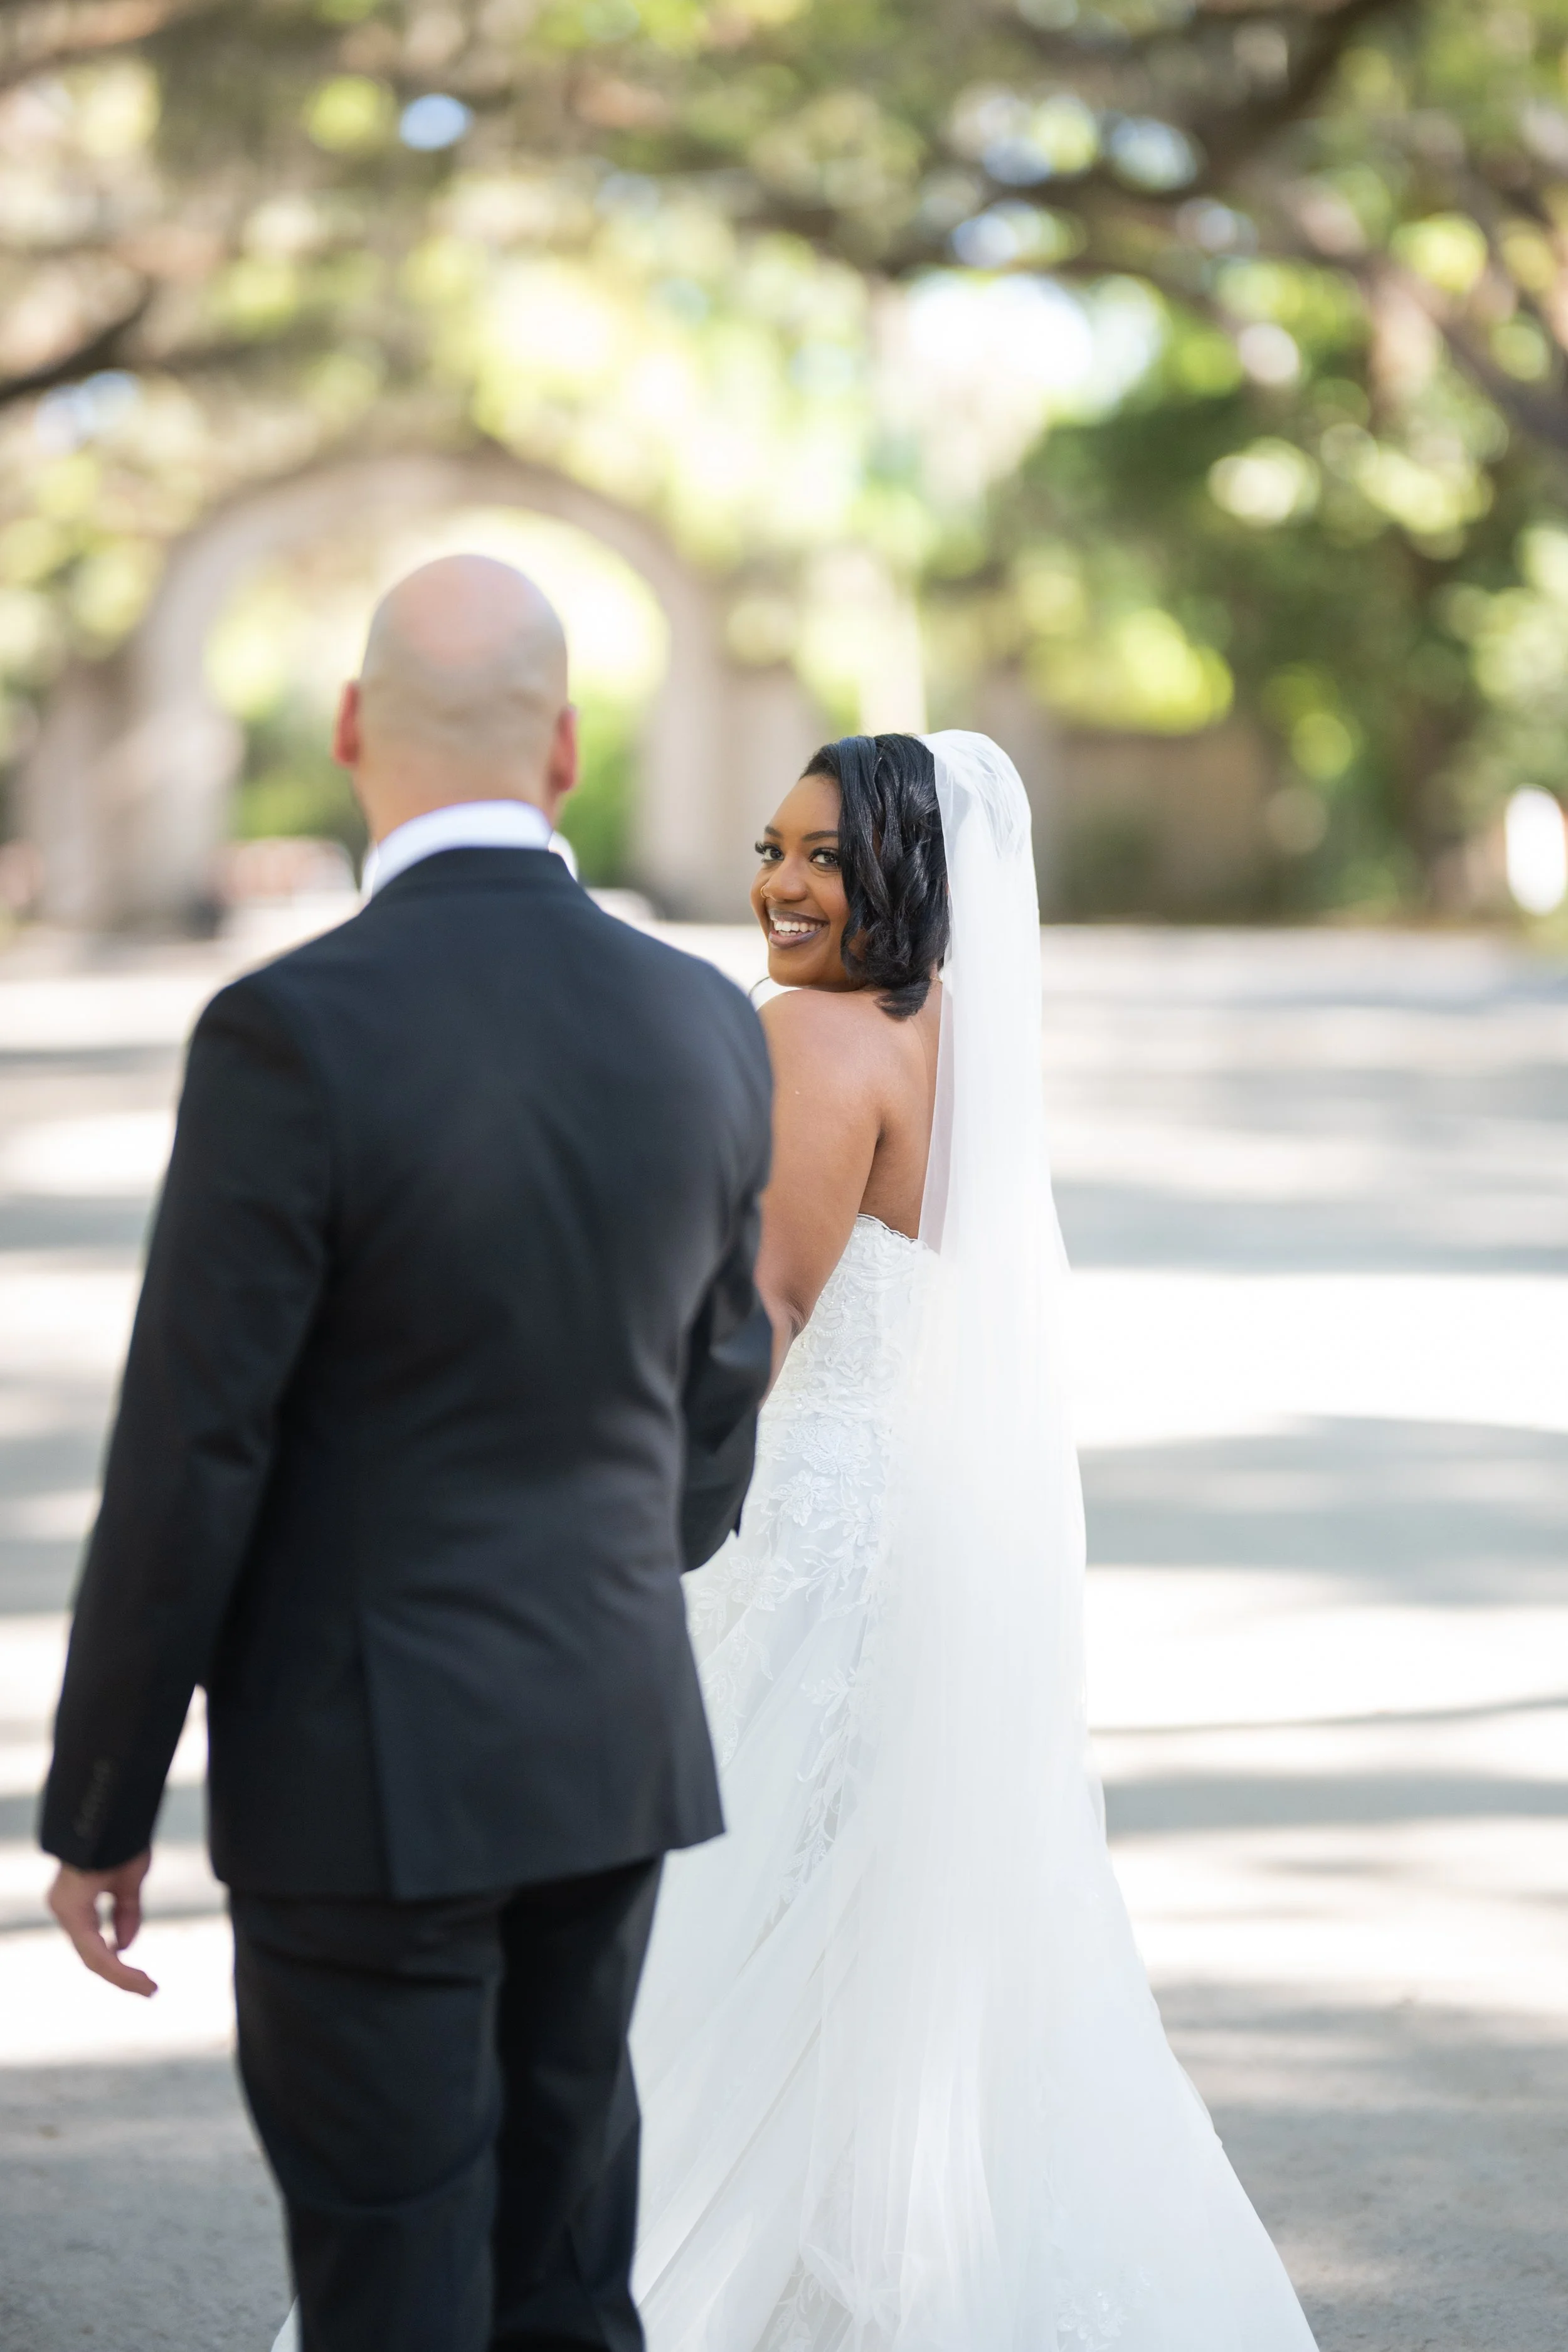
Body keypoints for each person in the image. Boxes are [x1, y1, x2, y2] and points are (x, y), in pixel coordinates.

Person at [38, 555, 775, 2352]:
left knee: (391, 2277)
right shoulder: (700, 1018)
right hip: (607, 1739)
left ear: (352, 728)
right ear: (570, 750)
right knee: (567, 2258)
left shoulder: (291, 1030)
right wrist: (595, 1581)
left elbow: (193, 1446)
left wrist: (101, 1801)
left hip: (362, 1771)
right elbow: (722, 1390)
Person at [628, 732, 1320, 2349]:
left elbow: (772, 1308)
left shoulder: (809, 1033)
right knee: (865, 1937)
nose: (782, 887)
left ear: (907, 873)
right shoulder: (950, 1035)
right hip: (916, 1534)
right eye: (772, 849)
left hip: (798, 1529)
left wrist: (636, 1507)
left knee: (748, 1923)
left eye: (825, 858)